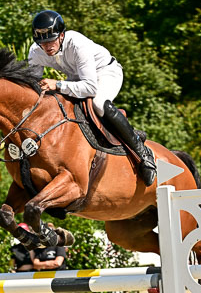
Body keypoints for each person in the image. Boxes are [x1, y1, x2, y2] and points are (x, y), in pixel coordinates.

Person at [28, 9, 157, 186]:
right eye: (43, 43)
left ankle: (142, 153)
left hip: (105, 72)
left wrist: (57, 85)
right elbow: (33, 84)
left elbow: (89, 88)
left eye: (51, 40)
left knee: (98, 103)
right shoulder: (35, 52)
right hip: (77, 78)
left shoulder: (77, 44)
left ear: (62, 35)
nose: (47, 46)